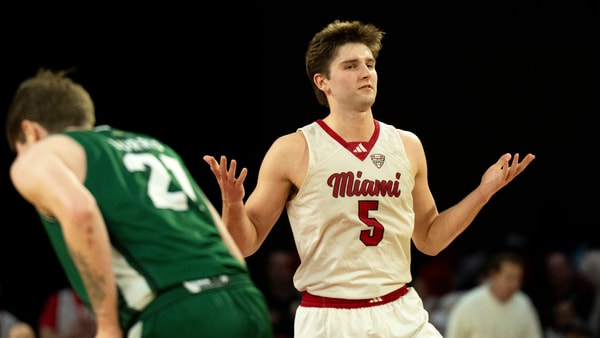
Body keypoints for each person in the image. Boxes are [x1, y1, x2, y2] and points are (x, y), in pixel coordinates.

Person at [203, 19, 536, 337]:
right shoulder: (293, 149)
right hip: (330, 317)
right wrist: (233, 204)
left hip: (401, 310)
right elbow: (245, 244)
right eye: (351, 66)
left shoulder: (407, 145)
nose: (366, 73)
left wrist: (482, 192)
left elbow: (430, 238)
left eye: (370, 63)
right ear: (323, 82)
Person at [6, 69, 273, 338]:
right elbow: (223, 238)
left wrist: (107, 325)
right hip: (244, 298)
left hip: (171, 310)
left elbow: (80, 212)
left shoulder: (39, 153)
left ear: (29, 131)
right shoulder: (155, 146)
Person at [444, 250, 543, 338]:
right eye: (510, 278)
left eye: (518, 279)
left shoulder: (523, 303)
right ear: (493, 275)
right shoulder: (468, 304)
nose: (515, 284)